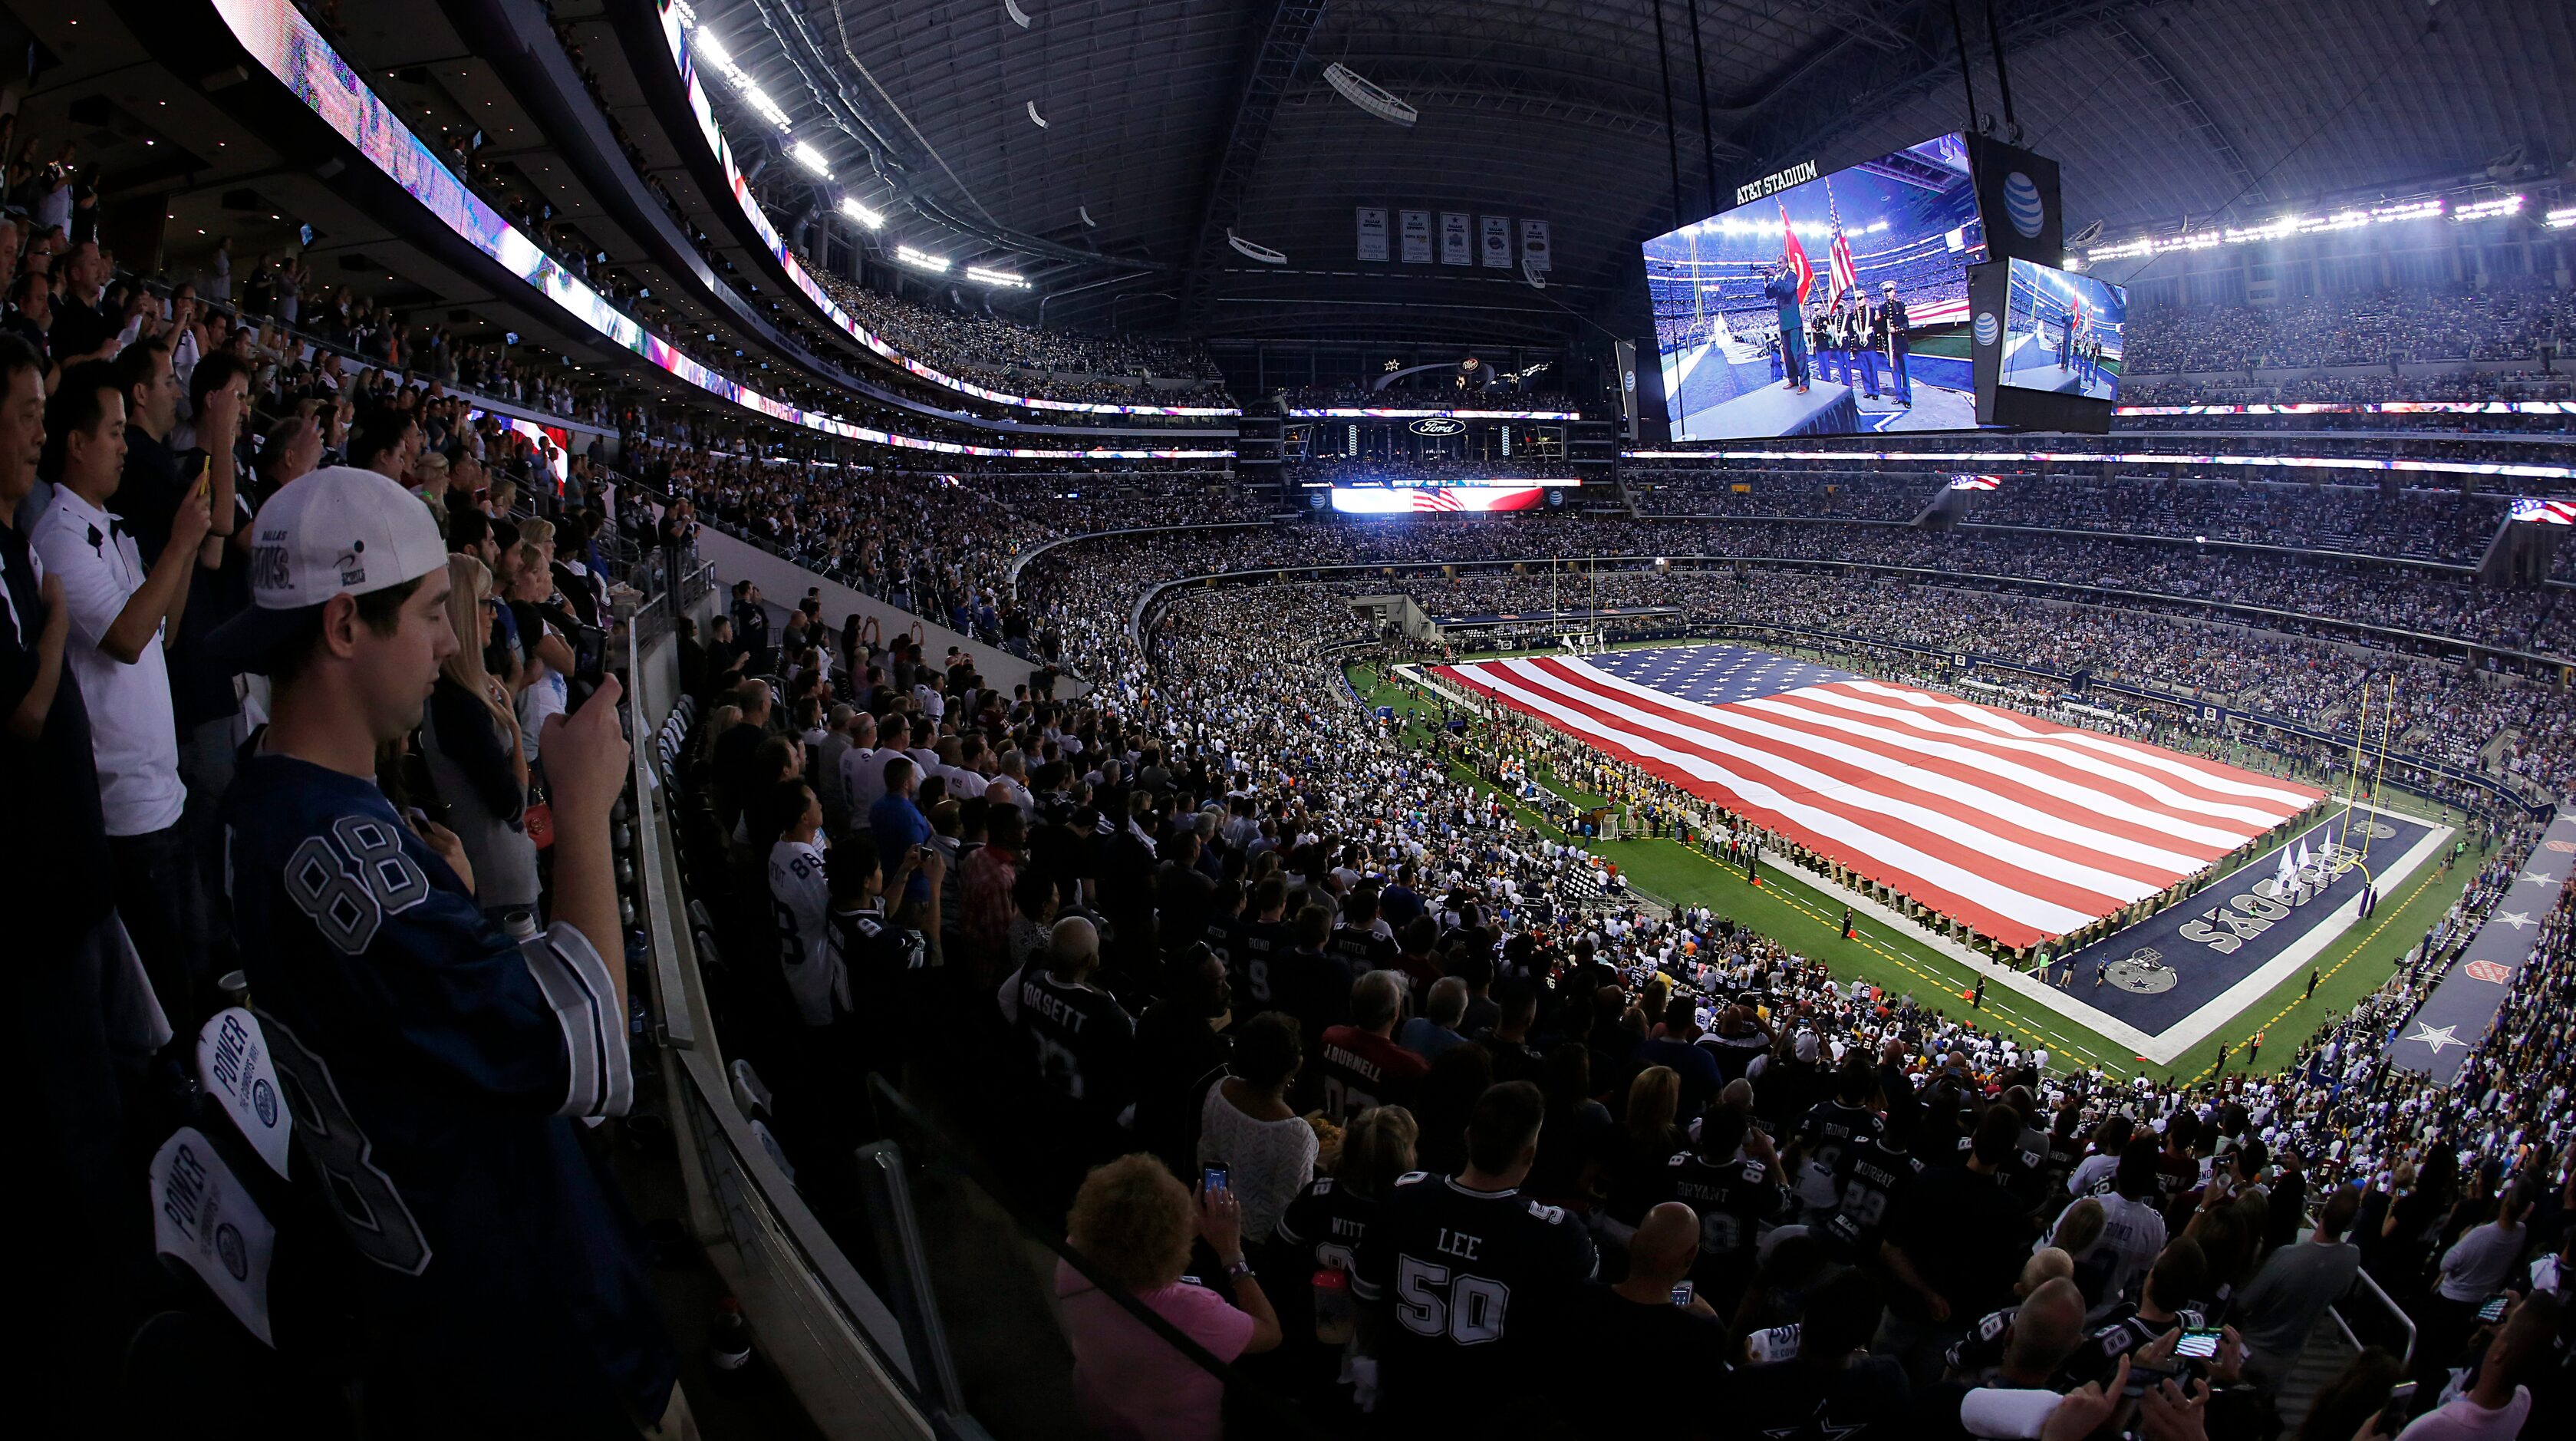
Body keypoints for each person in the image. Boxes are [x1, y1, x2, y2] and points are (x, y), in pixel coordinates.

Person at [207, 467, 678, 1434]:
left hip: (440, 1305)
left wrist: (447, 911)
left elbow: (396, 1014)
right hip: (531, 1339)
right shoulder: (341, 855)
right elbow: (584, 1051)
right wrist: (583, 807)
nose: (452, 641)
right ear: (343, 627)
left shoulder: (266, 802)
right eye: (429, 613)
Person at [32, 359, 211, 1038]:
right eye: (112, 432)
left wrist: (185, 547)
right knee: (164, 1007)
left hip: (165, 796)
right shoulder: (57, 537)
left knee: (190, 973)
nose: (121, 445)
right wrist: (182, 545)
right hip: (126, 818)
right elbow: (128, 638)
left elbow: (165, 632)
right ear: (75, 443)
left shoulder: (110, 528)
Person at [1353, 1081, 1599, 1433]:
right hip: (1490, 1422)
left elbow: (1365, 1299)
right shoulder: (1558, 1234)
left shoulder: (1406, 1197)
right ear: (1529, 1154)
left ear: (1468, 1137)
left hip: (1403, 1404)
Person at [1056, 1153, 1282, 1441]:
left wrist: (1196, 1223)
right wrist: (1231, 1253)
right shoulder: (1192, 1309)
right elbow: (1270, 1333)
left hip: (1100, 1410)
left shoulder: (1073, 1255)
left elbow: (1130, 1241)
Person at [418, 554, 535, 918]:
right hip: (500, 884)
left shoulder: (464, 694)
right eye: (487, 603)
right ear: (463, 611)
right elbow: (513, 804)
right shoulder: (458, 704)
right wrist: (515, 731)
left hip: (505, 872)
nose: (494, 615)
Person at [1556, 1201, 1732, 1436]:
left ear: (1634, 1240)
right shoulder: (1703, 1334)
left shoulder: (1580, 1299)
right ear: (1691, 1256)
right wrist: (1712, 1317)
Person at [1197, 1011, 1317, 1246]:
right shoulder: (1295, 1134)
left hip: (1216, 1225)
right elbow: (1291, 1210)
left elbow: (1207, 1159)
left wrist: (1219, 1212)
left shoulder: (1219, 1090)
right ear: (1290, 1071)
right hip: (1262, 1247)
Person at [2235, 1185, 2362, 1381]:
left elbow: (2244, 1302)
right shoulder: (2352, 1257)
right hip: (2289, 1357)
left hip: (2252, 1348)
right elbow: (2341, 1294)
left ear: (2323, 1213)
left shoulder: (2286, 1256)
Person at [1316, 968, 1430, 1123]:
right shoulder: (1410, 1067)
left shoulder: (1331, 1037)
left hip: (1330, 1134)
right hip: (1374, 1145)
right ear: (1396, 1012)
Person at [1764, 261, 1809, 393]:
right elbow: (1769, 295)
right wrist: (1767, 281)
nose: (1778, 265)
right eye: (1777, 263)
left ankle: (1804, 382)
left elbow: (1787, 291)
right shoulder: (1780, 280)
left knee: (1798, 353)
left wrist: (1776, 276)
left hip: (1794, 321)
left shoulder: (1792, 276)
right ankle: (1793, 379)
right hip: (1784, 323)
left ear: (1787, 264)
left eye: (1780, 262)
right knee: (1788, 354)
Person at [1878, 280, 1913, 406]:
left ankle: (1907, 398)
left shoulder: (1900, 306)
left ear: (1894, 292)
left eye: (1889, 291)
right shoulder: (1882, 309)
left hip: (1901, 343)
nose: (1887, 294)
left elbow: (1906, 325)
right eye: (1885, 292)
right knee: (1895, 371)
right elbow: (1881, 328)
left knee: (1905, 372)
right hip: (1890, 345)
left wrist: (1896, 330)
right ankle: (1899, 395)